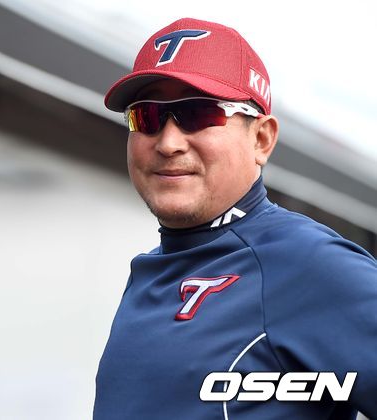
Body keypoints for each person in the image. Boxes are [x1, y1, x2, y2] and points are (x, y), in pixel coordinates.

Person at [93, 17, 377, 419]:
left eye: (198, 113)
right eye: (147, 117)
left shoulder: (308, 264)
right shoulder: (153, 269)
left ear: (261, 139)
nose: (169, 143)